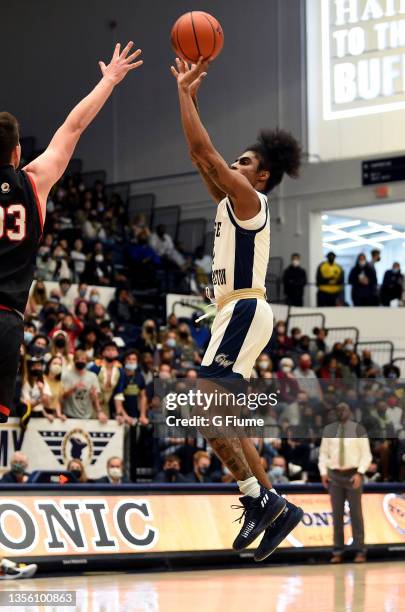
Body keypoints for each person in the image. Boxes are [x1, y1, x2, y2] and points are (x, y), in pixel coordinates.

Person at [171, 57, 303, 561]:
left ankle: (257, 499)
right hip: (235, 315)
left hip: (246, 310)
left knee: (201, 404)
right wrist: (187, 97)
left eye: (244, 162)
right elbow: (198, 154)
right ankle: (275, 506)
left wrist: (187, 95)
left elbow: (206, 150)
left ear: (262, 176)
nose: (235, 165)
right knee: (225, 417)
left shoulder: (250, 199)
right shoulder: (230, 199)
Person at [0, 41, 143, 424]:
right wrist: (109, 80)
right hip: (6, 320)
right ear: (17, 152)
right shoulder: (34, 182)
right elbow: (74, 125)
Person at [318, 402, 372, 563]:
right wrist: (323, 472)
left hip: (353, 474)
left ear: (350, 411)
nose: (342, 412)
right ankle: (338, 551)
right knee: (337, 515)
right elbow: (323, 455)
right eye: (339, 409)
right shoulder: (328, 430)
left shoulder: (358, 429)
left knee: (356, 514)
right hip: (335, 475)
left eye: (344, 409)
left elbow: (366, 455)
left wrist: (360, 473)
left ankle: (360, 550)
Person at [62, 350, 107, 422]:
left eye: (83, 359)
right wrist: (73, 388)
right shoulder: (67, 375)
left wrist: (99, 412)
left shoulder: (92, 376)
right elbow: (62, 396)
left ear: (86, 361)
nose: (80, 361)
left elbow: (95, 399)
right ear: (74, 361)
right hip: (69, 415)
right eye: (77, 359)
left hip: (87, 416)